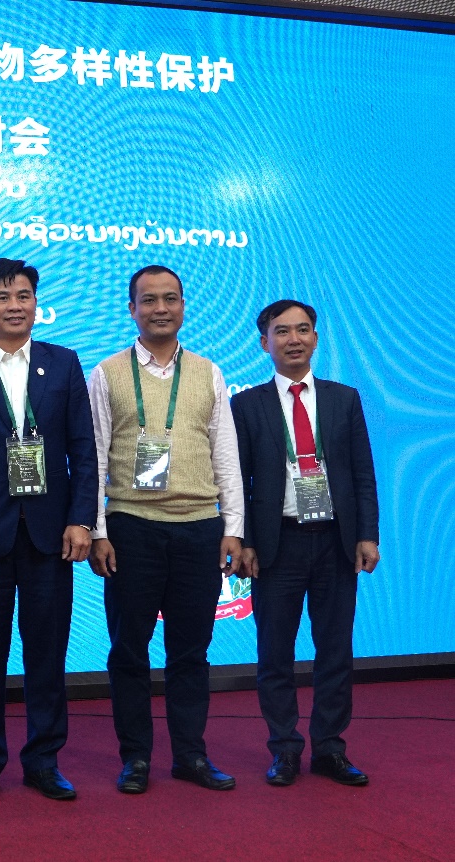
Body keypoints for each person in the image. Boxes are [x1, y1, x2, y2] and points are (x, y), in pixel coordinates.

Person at [0, 258, 98, 804]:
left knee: (46, 656)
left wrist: (81, 519)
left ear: (36, 303)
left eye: (23, 295)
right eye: (2, 296)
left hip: (51, 536)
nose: (14, 306)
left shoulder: (63, 363)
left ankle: (44, 761)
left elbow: (83, 450)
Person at [87, 265, 246, 794]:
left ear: (182, 306)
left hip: (200, 529)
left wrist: (233, 526)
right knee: (128, 650)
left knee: (191, 652)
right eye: (149, 300)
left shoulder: (208, 372)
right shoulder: (107, 373)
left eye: (171, 299)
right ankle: (135, 758)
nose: (161, 308)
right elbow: (94, 457)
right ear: (131, 309)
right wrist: (98, 530)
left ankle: (190, 756)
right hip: (131, 529)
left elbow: (225, 455)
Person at [231, 299, 379, 787]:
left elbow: (362, 473)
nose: (293, 339)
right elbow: (238, 480)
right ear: (264, 343)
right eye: (282, 331)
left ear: (315, 338)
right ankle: (285, 749)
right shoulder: (247, 404)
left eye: (302, 330)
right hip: (278, 546)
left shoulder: (344, 398)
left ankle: (331, 748)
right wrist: (245, 540)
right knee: (274, 653)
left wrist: (367, 534)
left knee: (335, 651)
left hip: (336, 542)